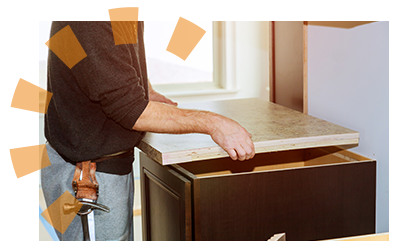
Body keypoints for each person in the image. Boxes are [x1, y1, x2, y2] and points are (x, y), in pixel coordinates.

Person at [42, 21, 254, 241]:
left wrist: (145, 89)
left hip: (96, 164)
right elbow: (131, 111)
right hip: (86, 176)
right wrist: (214, 123)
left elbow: (113, 55)